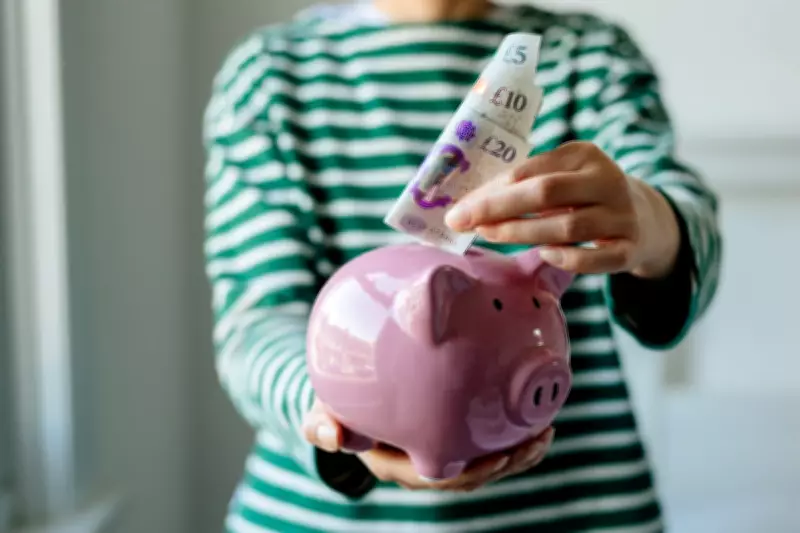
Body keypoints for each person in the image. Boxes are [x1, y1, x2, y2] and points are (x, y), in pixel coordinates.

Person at [202, 0, 722, 530]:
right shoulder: (270, 78)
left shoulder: (593, 60)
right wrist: (336, 416)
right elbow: (257, 321)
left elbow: (685, 223)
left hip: (575, 506)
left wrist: (650, 222)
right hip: (323, 515)